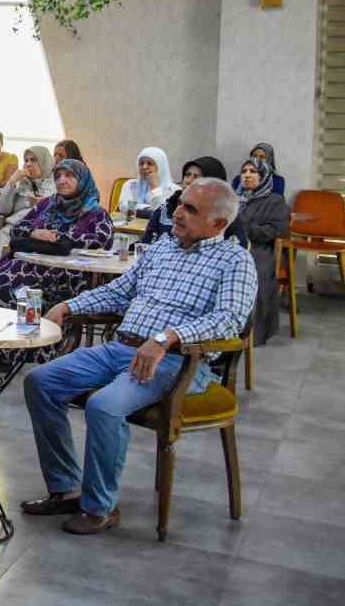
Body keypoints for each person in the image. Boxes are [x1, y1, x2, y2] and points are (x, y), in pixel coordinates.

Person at [21, 178, 255, 535]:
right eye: (180, 202)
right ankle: (66, 487)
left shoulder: (235, 260)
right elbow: (120, 291)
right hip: (122, 347)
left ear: (218, 224)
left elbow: (230, 319)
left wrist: (166, 338)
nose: (177, 212)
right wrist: (68, 306)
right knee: (41, 381)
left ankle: (100, 507)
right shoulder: (164, 246)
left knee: (104, 406)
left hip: (176, 361)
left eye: (191, 209)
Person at [0, 160, 114, 316]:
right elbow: (17, 229)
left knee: (22, 291)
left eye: (69, 176)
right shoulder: (47, 204)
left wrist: (58, 238)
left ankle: (35, 337)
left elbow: (101, 241)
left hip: (69, 273)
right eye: (58, 176)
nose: (62, 181)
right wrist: (34, 233)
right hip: (32, 263)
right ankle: (6, 336)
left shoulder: (96, 213)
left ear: (83, 180)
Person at [0, 146, 57, 290]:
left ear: (45, 162)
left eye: (33, 160)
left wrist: (43, 203)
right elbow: (2, 209)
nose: (28, 164)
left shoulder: (55, 185)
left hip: (42, 232)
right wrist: (11, 183)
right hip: (14, 229)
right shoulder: (21, 184)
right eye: (26, 160)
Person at [235, 158, 289, 345]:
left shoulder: (275, 201)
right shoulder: (235, 198)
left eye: (253, 171)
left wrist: (246, 230)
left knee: (251, 269)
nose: (247, 175)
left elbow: (275, 229)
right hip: (233, 246)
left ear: (264, 176)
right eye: (244, 171)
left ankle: (253, 334)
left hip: (261, 249)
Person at [141, 158, 242, 246]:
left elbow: (237, 248)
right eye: (187, 175)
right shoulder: (167, 206)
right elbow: (145, 244)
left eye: (196, 177)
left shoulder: (225, 214)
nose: (188, 181)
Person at [118, 147, 177, 217]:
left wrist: (155, 188)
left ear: (161, 166)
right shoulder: (130, 184)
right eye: (141, 163)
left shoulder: (173, 190)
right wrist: (146, 209)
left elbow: (162, 213)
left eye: (149, 163)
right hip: (131, 227)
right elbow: (123, 207)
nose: (144, 167)